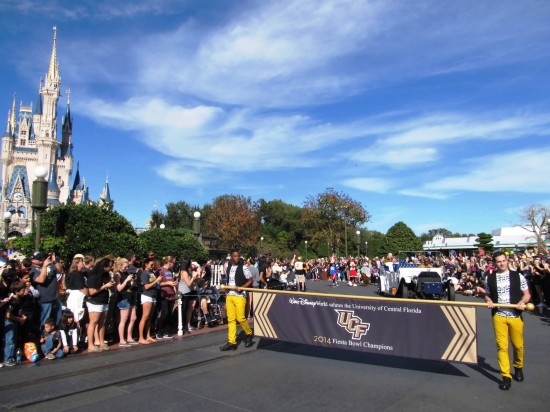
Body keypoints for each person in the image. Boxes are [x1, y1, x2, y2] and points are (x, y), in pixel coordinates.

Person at [485, 251, 531, 390]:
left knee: (518, 346)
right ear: (495, 263)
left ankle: (518, 366)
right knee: (502, 347)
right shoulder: (490, 278)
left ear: (507, 260)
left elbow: (527, 294)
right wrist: (489, 301)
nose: (501, 263)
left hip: (515, 316)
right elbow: (487, 295)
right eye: (498, 261)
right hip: (499, 316)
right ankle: (506, 376)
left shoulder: (518, 276)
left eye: (503, 260)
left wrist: (522, 302)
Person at [220, 250, 254, 351]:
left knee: (240, 318)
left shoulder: (244, 267)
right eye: (234, 256)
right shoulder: (228, 267)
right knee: (230, 319)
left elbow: (250, 280)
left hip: (240, 295)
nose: (236, 258)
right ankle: (232, 341)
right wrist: (226, 288)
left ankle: (248, 333)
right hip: (230, 295)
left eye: (238, 256)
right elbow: (228, 280)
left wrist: (242, 287)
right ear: (231, 257)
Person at [85, 258, 115, 352]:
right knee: (93, 322)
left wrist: (110, 284)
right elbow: (92, 291)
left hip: (104, 300)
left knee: (102, 323)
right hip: (95, 301)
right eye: (109, 266)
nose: (111, 268)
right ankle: (90, 345)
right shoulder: (93, 276)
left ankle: (101, 342)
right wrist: (104, 286)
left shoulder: (105, 275)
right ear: (104, 266)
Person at [3, 281, 27, 366]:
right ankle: (8, 359)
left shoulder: (19, 299)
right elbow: (8, 315)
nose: (24, 292)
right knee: (10, 341)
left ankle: (13, 357)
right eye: (22, 290)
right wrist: (19, 319)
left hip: (15, 321)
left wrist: (22, 316)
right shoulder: (12, 301)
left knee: (14, 340)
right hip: (10, 322)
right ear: (16, 291)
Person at [138, 258, 162, 344]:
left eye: (153, 265)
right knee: (145, 316)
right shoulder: (144, 273)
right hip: (147, 295)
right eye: (151, 265)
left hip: (153, 295)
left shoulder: (151, 273)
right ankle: (141, 337)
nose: (152, 266)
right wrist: (156, 281)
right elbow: (146, 286)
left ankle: (148, 335)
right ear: (146, 264)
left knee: (150, 317)